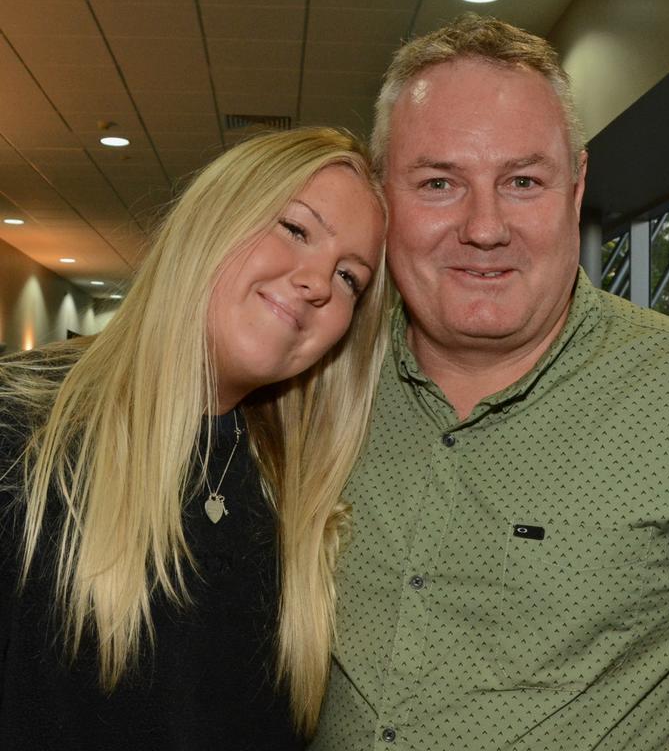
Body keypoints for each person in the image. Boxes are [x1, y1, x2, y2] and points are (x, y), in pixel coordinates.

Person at [310, 15, 669, 751]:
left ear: (576, 187)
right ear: (381, 191)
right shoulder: (318, 384)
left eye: (522, 181)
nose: (484, 227)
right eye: (438, 182)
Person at [0, 126, 387, 750]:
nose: (319, 281)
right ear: (213, 218)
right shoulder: (23, 431)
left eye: (350, 278)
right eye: (294, 228)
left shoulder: (291, 494)